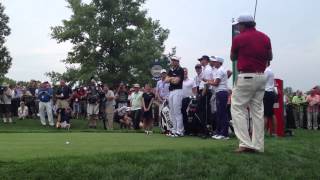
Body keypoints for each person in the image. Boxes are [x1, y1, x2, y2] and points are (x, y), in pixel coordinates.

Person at [230, 14, 272, 153]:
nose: (238, 27)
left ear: (243, 25)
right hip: (261, 77)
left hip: (246, 76)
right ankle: (258, 146)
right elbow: (270, 56)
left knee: (237, 108)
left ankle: (245, 143)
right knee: (258, 111)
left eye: (239, 25)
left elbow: (232, 57)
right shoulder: (265, 37)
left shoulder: (239, 38)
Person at [208, 57, 230, 140]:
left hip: (221, 92)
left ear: (219, 63)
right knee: (220, 113)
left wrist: (208, 81)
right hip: (220, 92)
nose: (214, 63)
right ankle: (220, 132)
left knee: (222, 113)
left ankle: (224, 134)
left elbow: (216, 83)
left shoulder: (220, 70)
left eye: (215, 62)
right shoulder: (220, 70)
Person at [165, 56, 184, 137]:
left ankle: (180, 131)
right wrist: (172, 78)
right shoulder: (170, 70)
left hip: (178, 91)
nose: (172, 62)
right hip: (171, 92)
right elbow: (166, 80)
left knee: (177, 111)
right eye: (172, 60)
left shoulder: (180, 69)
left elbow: (177, 82)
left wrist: (170, 78)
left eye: (174, 60)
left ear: (177, 61)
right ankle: (174, 130)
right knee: (172, 112)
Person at [181, 67, 197, 135]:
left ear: (187, 72)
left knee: (191, 116)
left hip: (189, 100)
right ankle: (185, 130)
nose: (185, 72)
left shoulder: (191, 80)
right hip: (181, 99)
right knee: (183, 115)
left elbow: (195, 90)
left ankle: (191, 130)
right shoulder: (179, 80)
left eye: (186, 71)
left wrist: (194, 99)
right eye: (183, 71)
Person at [263, 62, 277, 135]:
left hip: (267, 93)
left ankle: (262, 133)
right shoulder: (271, 71)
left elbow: (262, 81)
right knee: (272, 114)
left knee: (265, 114)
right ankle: (274, 132)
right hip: (271, 93)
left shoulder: (266, 71)